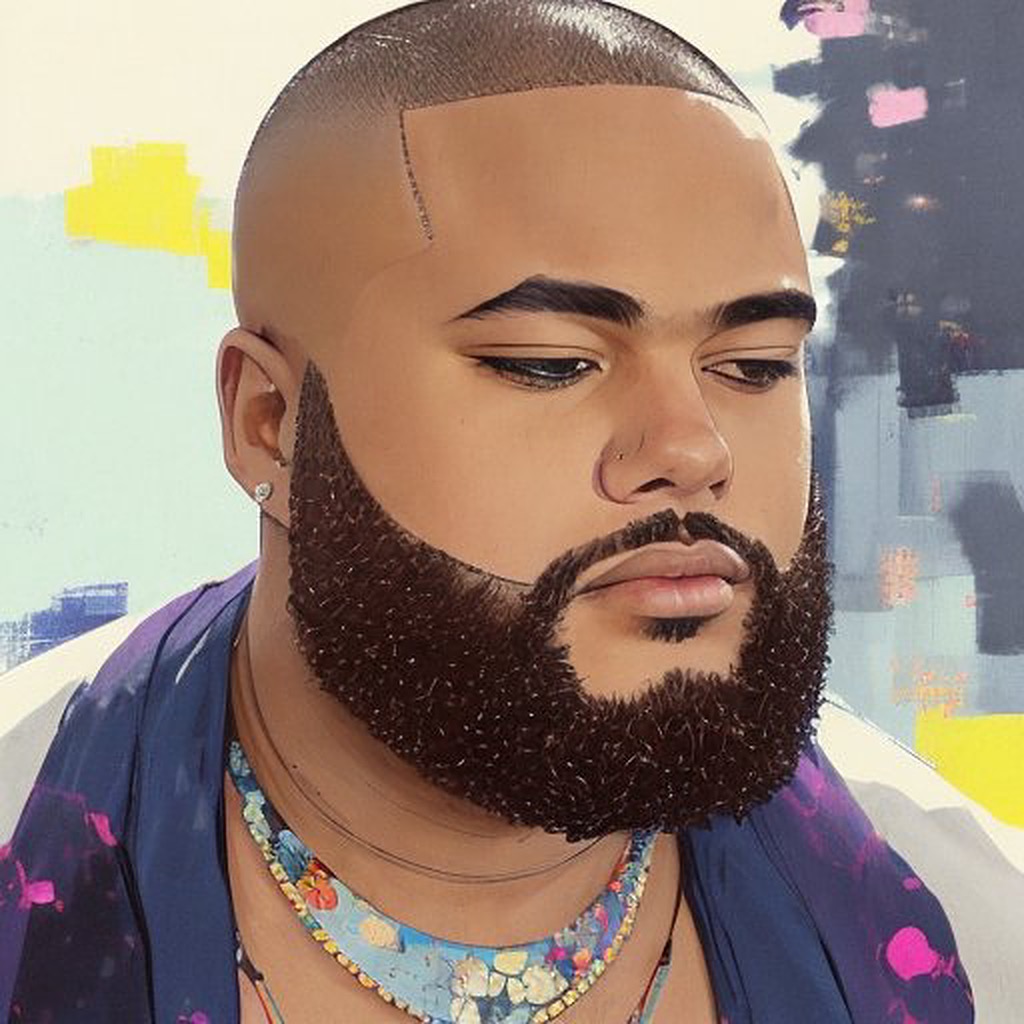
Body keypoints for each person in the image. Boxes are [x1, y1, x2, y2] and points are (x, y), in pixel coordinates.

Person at [1, 2, 1021, 1021]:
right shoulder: (26, 826)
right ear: (269, 423)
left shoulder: (965, 919)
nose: (692, 449)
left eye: (753, 366)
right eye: (550, 364)